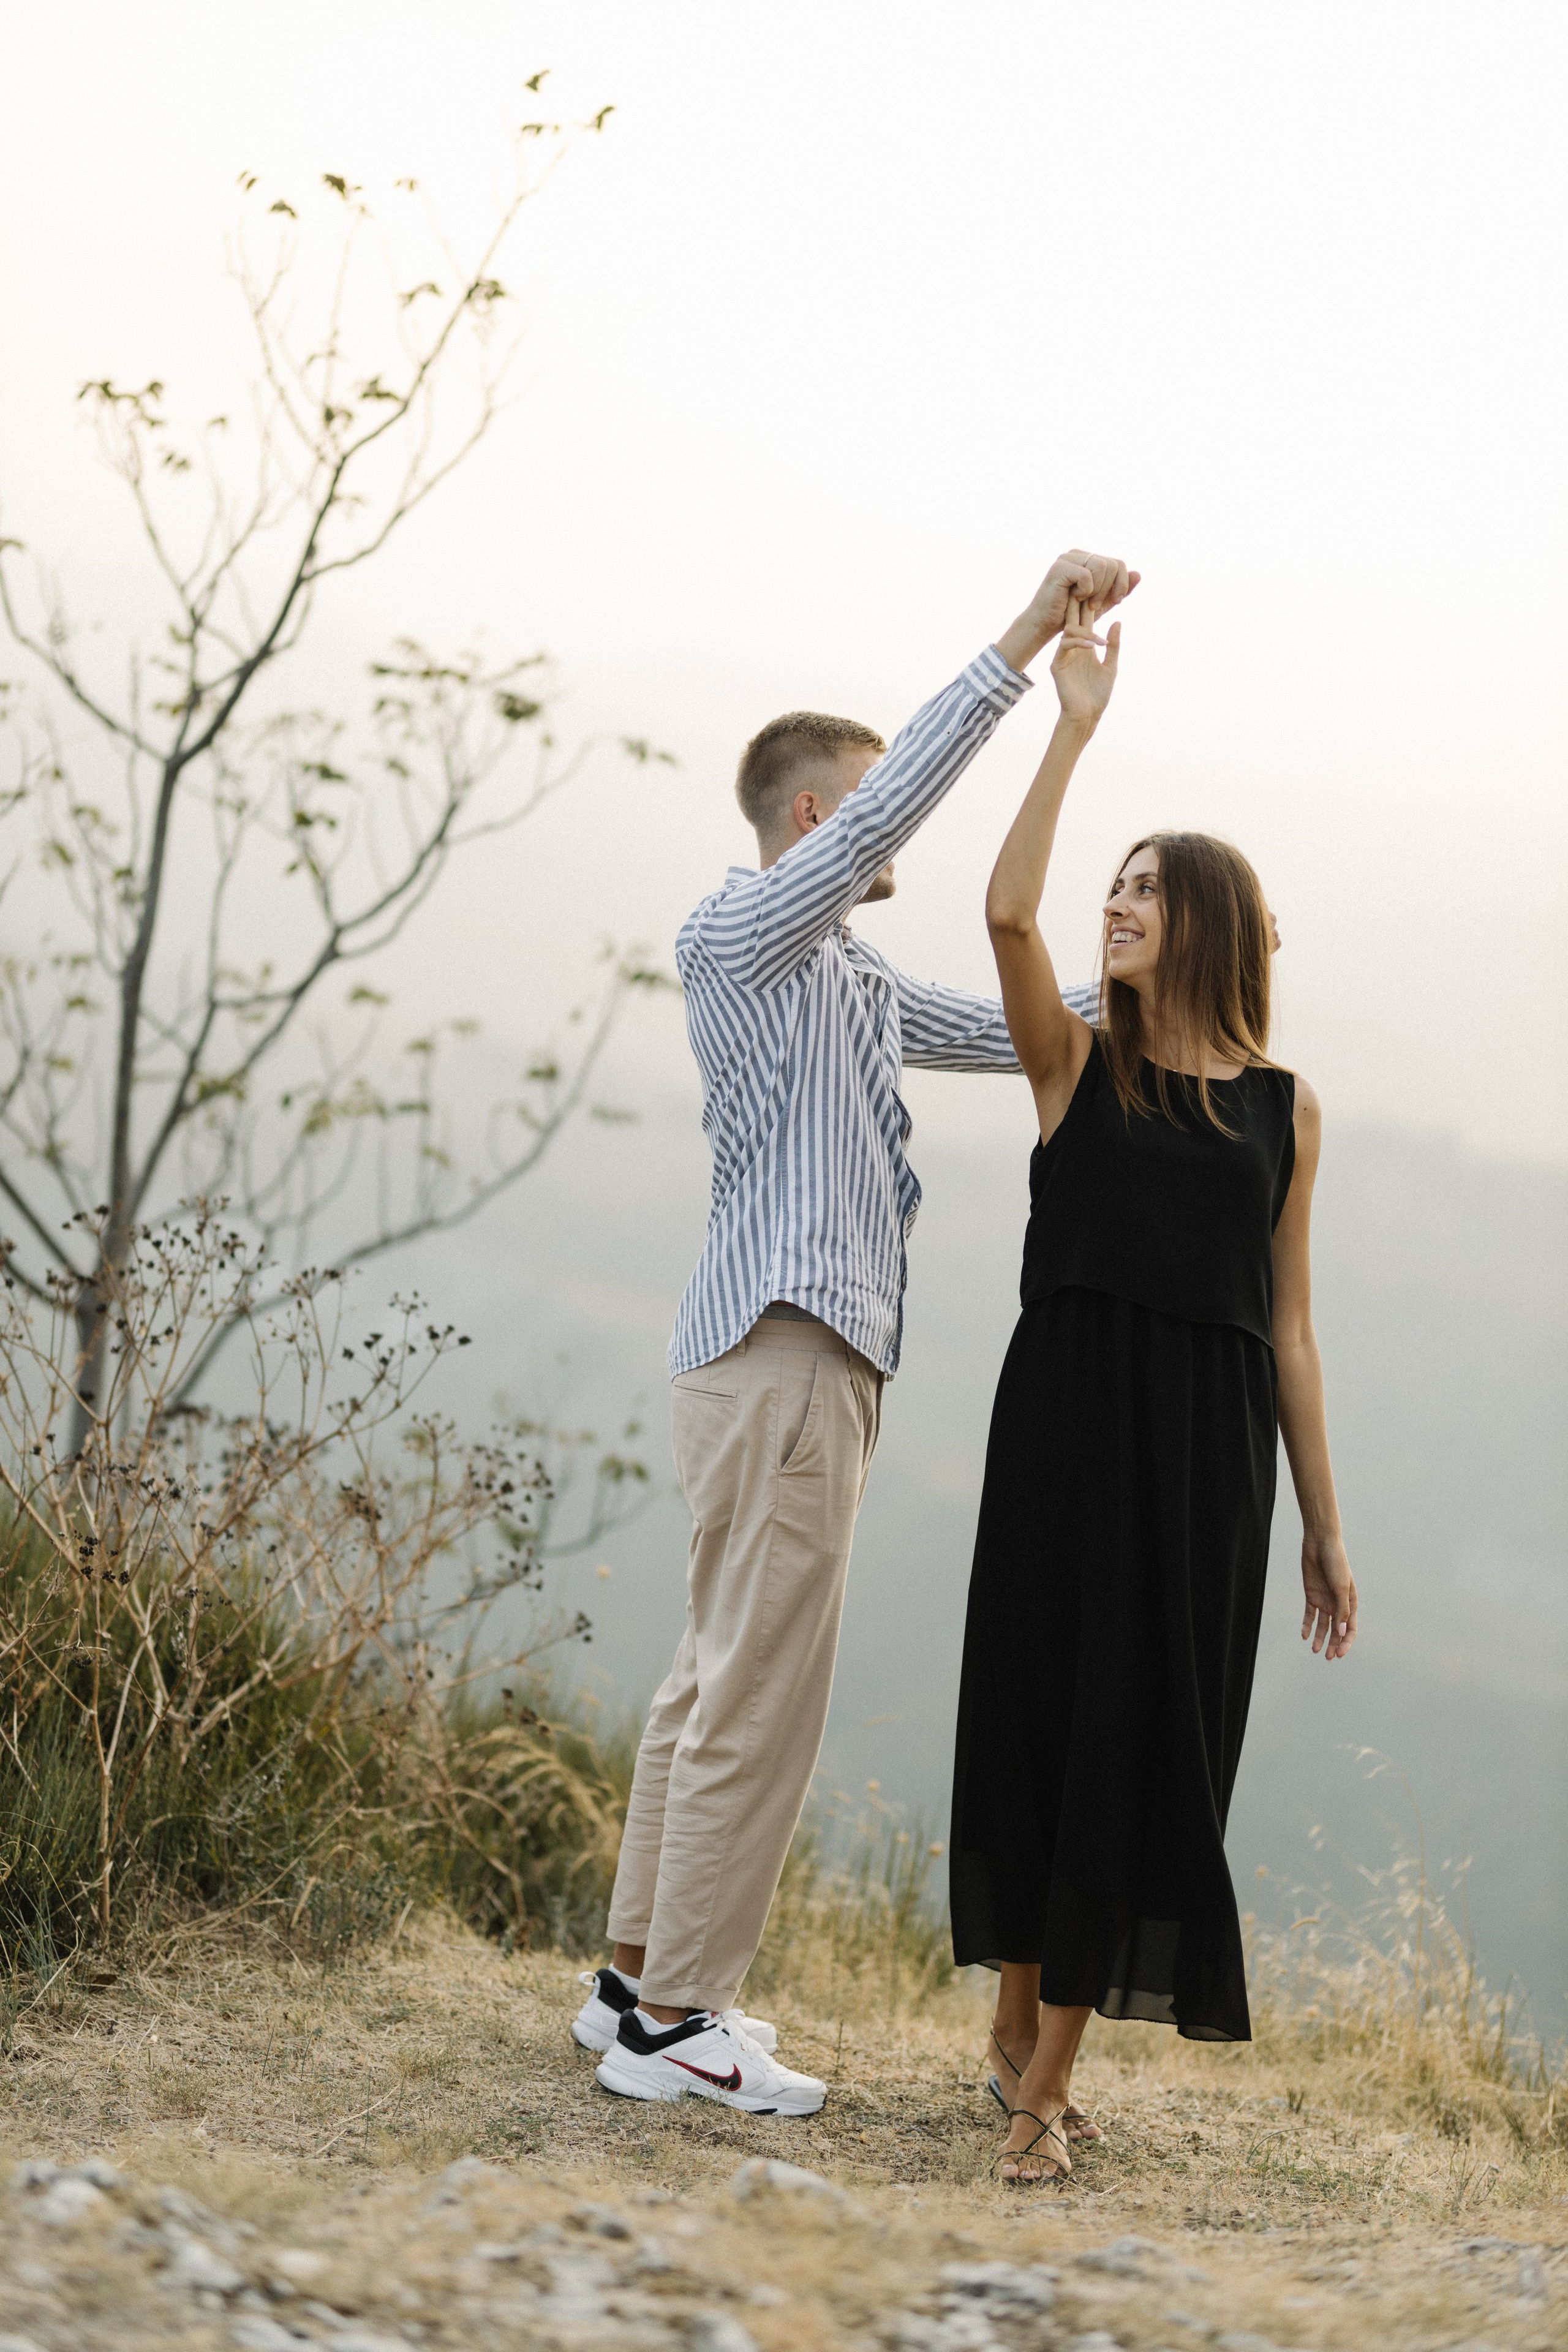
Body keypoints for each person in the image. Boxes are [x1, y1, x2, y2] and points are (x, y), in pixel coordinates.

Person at [573, 550, 1139, 2115]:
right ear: (819, 822)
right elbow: (897, 819)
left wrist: (1163, 979)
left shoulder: (843, 968)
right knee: (757, 1692)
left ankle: (634, 1988)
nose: (882, 830)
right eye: (865, 808)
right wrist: (1029, 642)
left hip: (772, 1360)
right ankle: (682, 2017)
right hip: (787, 1352)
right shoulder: (742, 931)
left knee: (708, 1677)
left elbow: (1019, 1030)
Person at [948, 596, 1357, 2184]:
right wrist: (1070, 729)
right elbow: (1001, 915)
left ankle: (1042, 2092)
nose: (1114, 909)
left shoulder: (1284, 1110)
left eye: (1143, 890)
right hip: (1061, 1432)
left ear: (1210, 921)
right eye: (1110, 887)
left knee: (1144, 1745)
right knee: (1046, 1719)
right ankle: (1012, 2026)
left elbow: (1294, 1331)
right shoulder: (1073, 1059)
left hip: (1205, 1469)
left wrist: (1325, 1526)